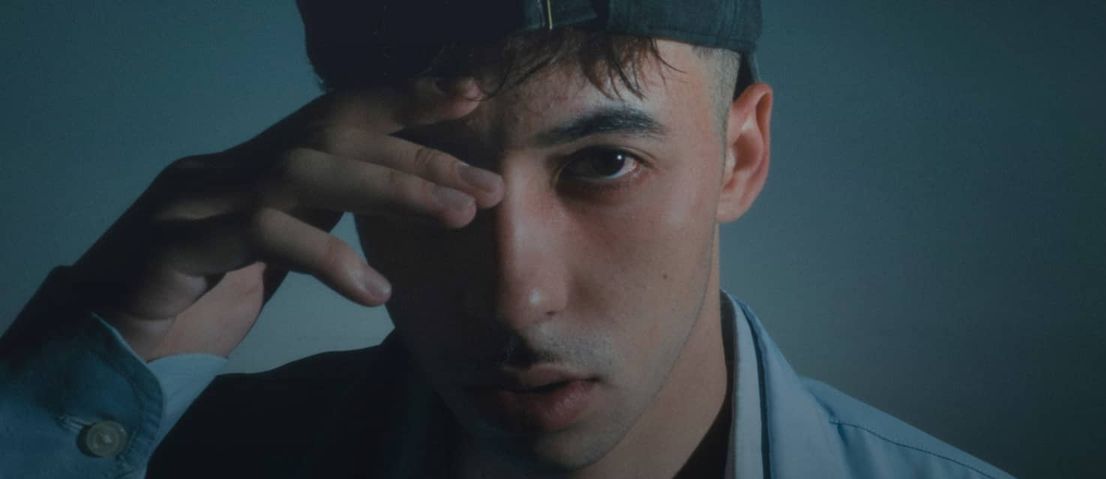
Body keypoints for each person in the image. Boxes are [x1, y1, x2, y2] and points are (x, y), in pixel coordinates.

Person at [0, 0, 1014, 477]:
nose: (514, 298)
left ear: (739, 158)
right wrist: (77, 383)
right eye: (421, 170)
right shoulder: (161, 460)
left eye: (604, 162)